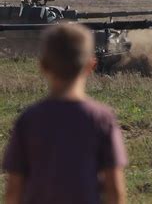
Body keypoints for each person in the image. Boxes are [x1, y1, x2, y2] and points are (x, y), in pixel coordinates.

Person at [2, 24, 128, 204]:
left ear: (43, 65)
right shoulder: (102, 118)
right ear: (91, 65)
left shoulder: (28, 119)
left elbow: (14, 189)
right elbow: (115, 190)